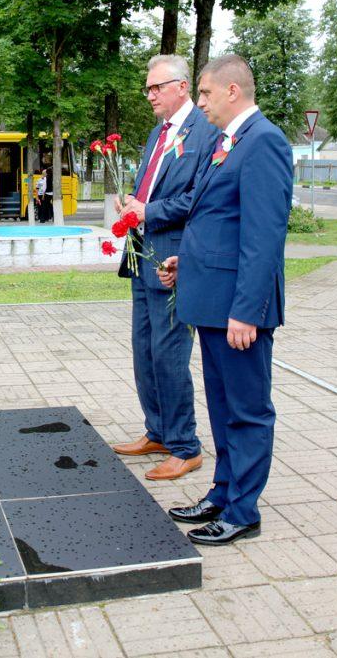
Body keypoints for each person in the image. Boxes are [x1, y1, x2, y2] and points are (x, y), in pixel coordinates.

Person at [157, 55, 293, 546]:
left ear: (232, 92)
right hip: (212, 300)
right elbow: (215, 221)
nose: (203, 103)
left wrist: (246, 312)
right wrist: (186, 265)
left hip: (237, 311)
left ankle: (243, 511)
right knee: (221, 405)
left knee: (248, 409)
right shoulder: (227, 141)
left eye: (207, 94)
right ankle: (222, 492)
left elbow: (263, 237)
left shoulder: (264, 142)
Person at [111, 55, 218, 481]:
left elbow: (200, 198)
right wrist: (132, 205)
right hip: (141, 256)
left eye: (157, 87)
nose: (150, 95)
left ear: (183, 87)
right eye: (148, 89)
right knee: (145, 352)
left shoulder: (206, 133)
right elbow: (150, 188)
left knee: (170, 355)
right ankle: (157, 431)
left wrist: (149, 210)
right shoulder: (160, 132)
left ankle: (185, 446)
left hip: (171, 260)